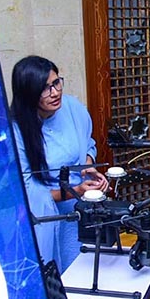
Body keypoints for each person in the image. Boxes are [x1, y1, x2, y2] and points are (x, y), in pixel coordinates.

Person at [11, 55, 109, 272]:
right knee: (60, 277)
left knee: (90, 271)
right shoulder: (17, 130)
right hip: (48, 217)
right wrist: (74, 191)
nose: (55, 92)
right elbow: (26, 189)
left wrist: (87, 167)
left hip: (82, 208)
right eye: (44, 88)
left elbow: (88, 144)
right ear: (29, 94)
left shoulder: (72, 108)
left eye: (56, 83)